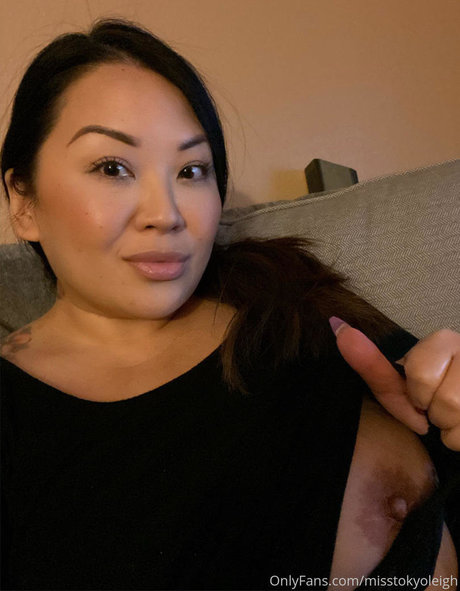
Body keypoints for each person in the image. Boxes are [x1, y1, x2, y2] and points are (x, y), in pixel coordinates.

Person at [0, 18, 459, 590]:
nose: (167, 214)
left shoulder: (284, 292)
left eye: (191, 170)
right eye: (112, 168)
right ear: (24, 202)